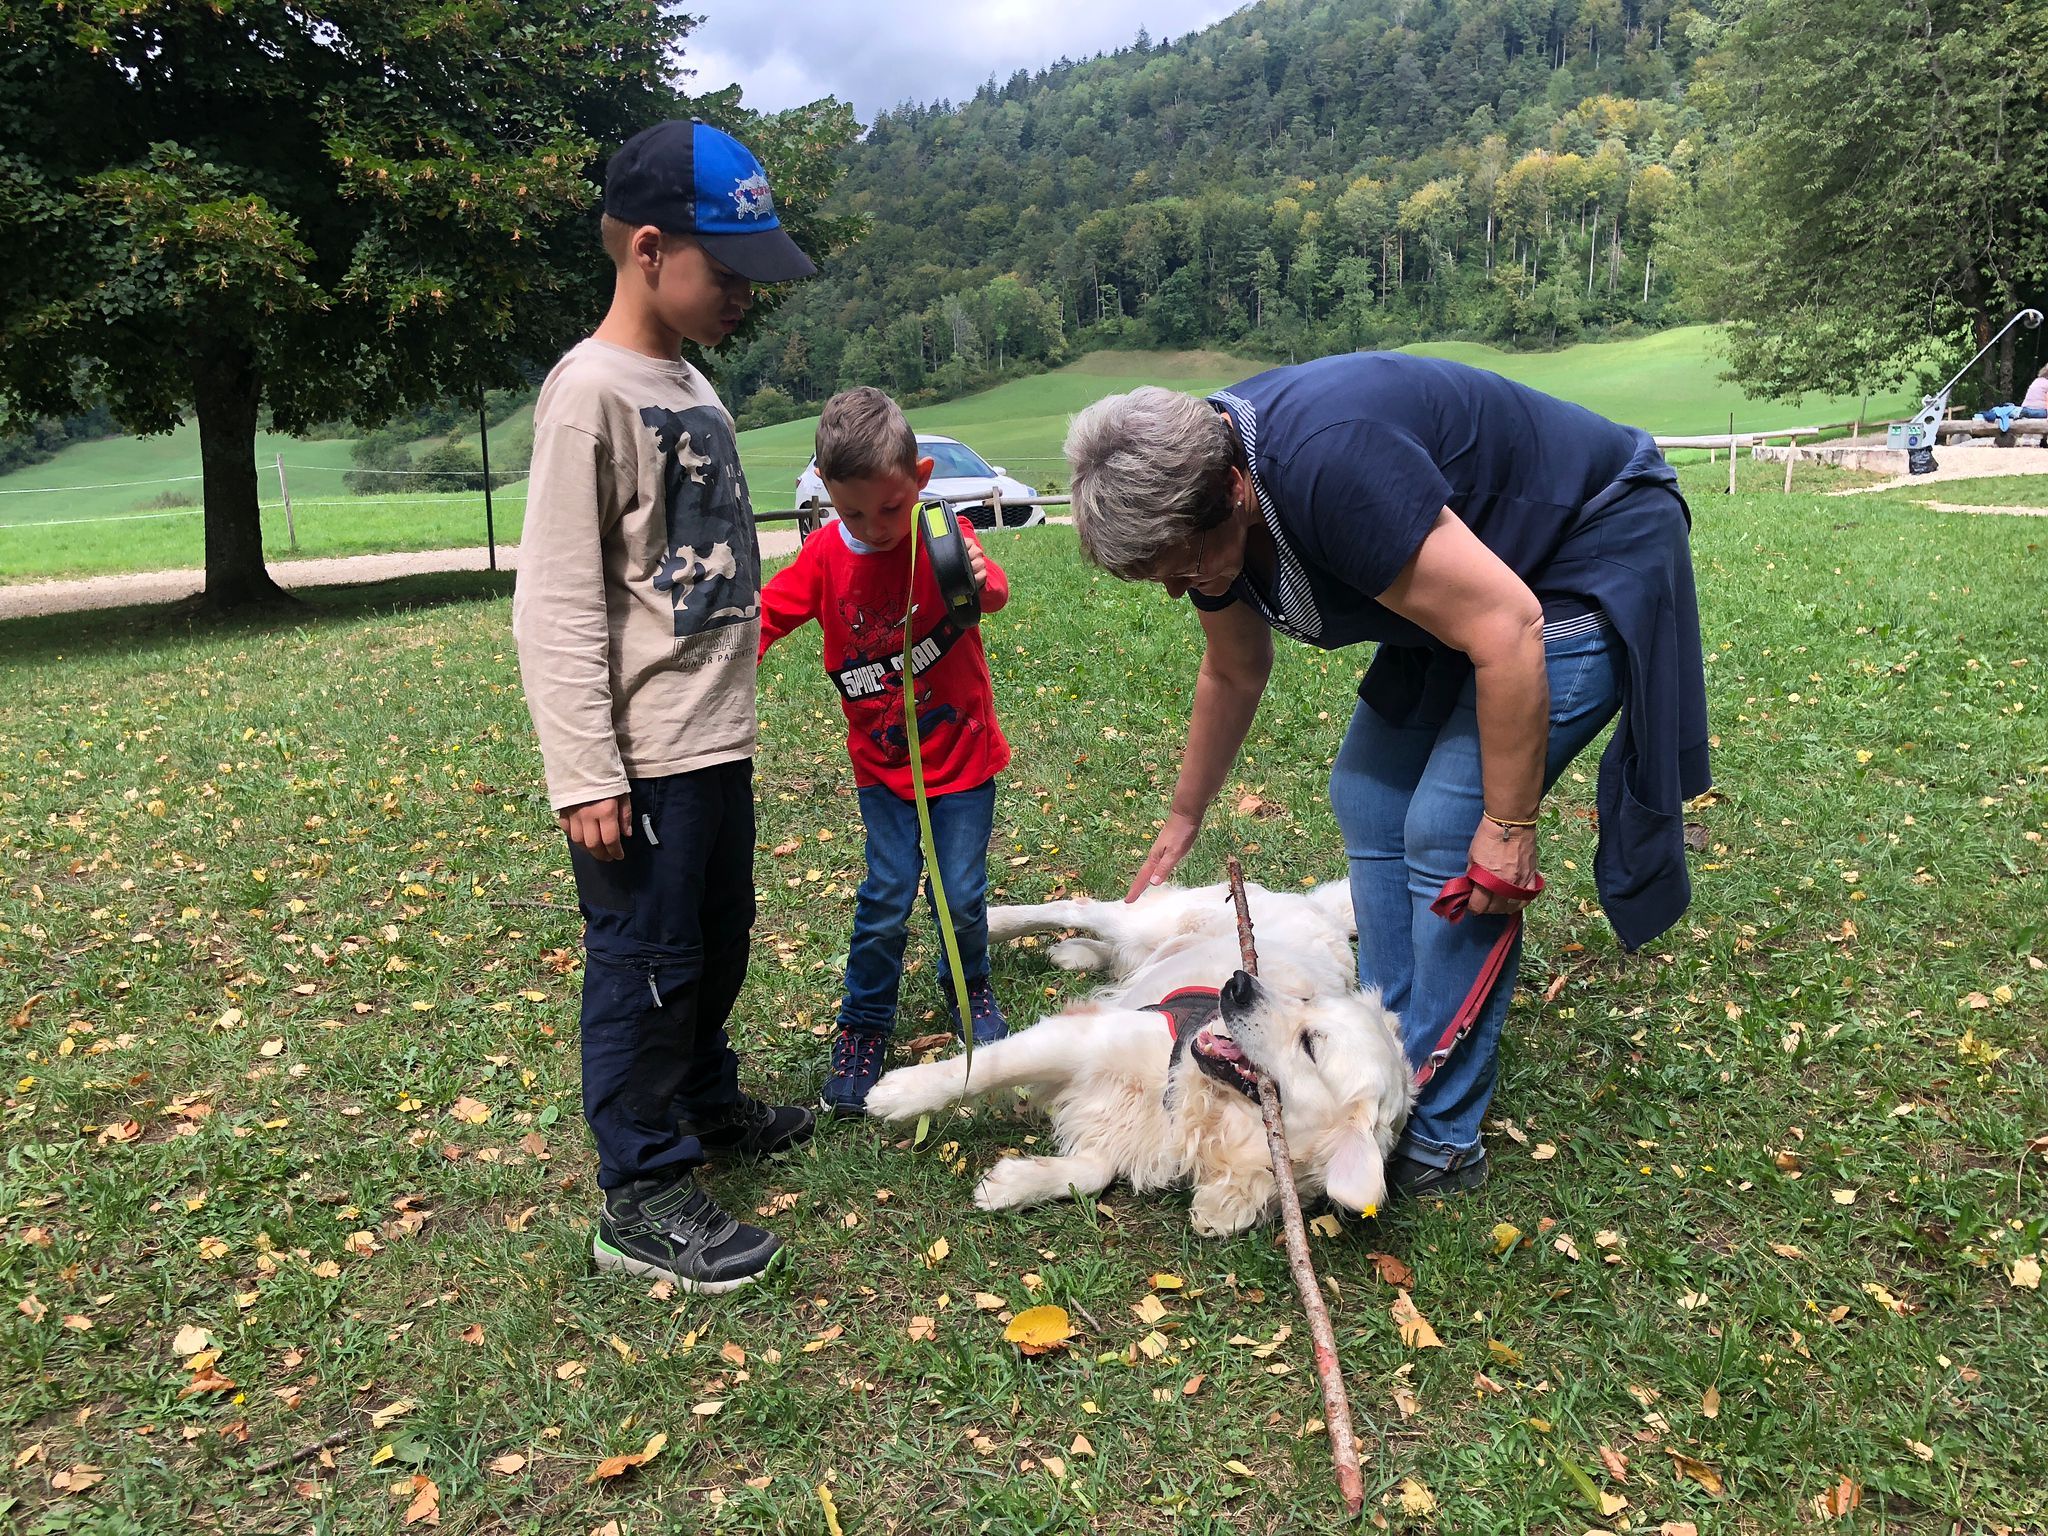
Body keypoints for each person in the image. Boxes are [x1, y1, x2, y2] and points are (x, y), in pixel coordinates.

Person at [1064, 355, 1710, 1200]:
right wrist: (1186, 815)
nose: (1181, 591)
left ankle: (1441, 1136)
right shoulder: (1201, 492)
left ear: (1233, 491)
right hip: (1470, 599)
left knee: (1450, 827)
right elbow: (1232, 669)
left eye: (1185, 569)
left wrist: (1508, 828)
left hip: (1579, 555)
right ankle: (1387, 1053)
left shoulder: (1330, 470)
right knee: (1367, 792)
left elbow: (1509, 626)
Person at [511, 119, 819, 1294]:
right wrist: (586, 770)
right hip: (637, 758)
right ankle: (638, 1190)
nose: (743, 294)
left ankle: (702, 1100)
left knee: (714, 936)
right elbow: (554, 600)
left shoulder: (690, 383)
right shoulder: (587, 395)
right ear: (649, 250)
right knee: (643, 961)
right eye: (726, 271)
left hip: (711, 739)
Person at [758, 388, 1013, 1116]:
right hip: (884, 772)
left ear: (922, 477)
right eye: (853, 512)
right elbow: (766, 617)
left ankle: (968, 986)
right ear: (828, 498)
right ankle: (864, 1024)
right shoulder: (823, 558)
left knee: (961, 895)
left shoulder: (941, 534)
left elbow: (989, 594)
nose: (874, 526)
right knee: (884, 900)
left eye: (890, 507)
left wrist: (967, 564)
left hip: (962, 760)